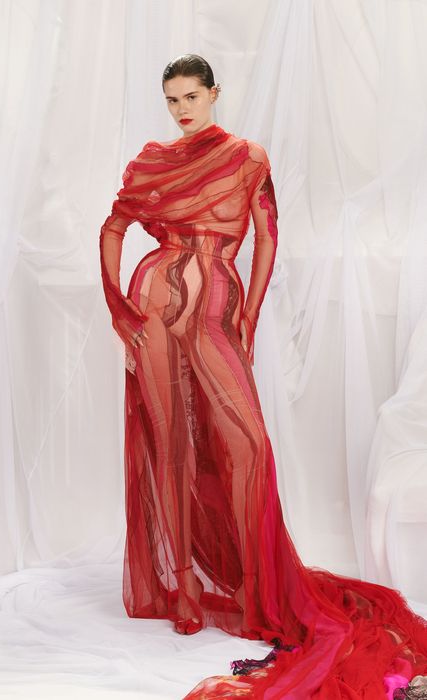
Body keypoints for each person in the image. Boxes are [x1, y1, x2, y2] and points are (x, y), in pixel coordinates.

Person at [100, 54, 427, 699]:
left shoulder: (247, 157)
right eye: (172, 99)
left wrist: (246, 318)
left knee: (247, 443)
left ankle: (255, 589)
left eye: (192, 96)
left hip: (215, 307)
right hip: (156, 302)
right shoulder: (152, 162)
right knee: (170, 443)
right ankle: (183, 590)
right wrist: (121, 308)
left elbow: (267, 238)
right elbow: (114, 228)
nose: (182, 109)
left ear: (214, 93)